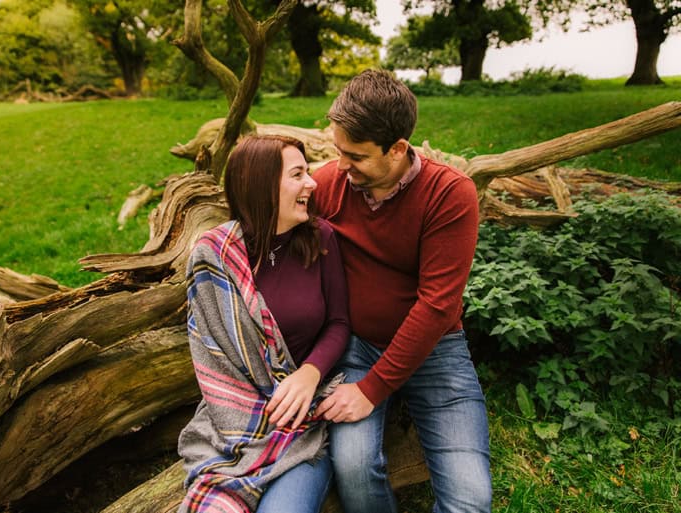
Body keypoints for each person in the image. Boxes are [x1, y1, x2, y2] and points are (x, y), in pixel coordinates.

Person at [313, 69, 492, 513]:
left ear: (397, 149)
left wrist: (372, 390)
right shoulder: (331, 185)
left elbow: (437, 306)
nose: (341, 166)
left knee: (470, 500)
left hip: (437, 352)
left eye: (355, 156)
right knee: (353, 468)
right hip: (356, 348)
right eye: (338, 151)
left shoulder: (449, 194)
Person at [177, 135, 350, 513]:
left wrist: (309, 374)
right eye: (298, 175)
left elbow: (339, 323)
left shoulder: (320, 237)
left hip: (304, 422)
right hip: (233, 418)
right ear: (263, 185)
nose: (312, 183)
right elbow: (211, 355)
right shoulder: (215, 256)